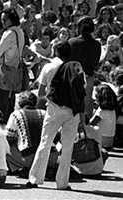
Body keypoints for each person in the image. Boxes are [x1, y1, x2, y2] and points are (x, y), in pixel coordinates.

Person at [27, 40, 86, 191]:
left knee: (45, 143)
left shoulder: (49, 67)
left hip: (53, 111)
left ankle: (35, 178)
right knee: (67, 147)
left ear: (55, 52)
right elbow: (82, 91)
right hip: (72, 112)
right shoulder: (77, 67)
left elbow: (40, 93)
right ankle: (62, 183)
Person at [5, 91, 56, 175]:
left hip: (30, 159)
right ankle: (47, 168)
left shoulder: (16, 115)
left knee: (5, 148)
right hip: (50, 157)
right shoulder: (44, 113)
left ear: (19, 103)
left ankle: (25, 168)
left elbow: (8, 139)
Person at [0, 8, 25, 123]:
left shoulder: (9, 33)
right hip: (15, 70)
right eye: (2, 20)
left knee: (0, 103)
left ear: (12, 19)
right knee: (10, 102)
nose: (3, 22)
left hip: (5, 71)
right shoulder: (20, 32)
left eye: (5, 20)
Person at [68, 16, 101, 119]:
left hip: (74, 76)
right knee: (88, 98)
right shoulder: (96, 44)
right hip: (88, 76)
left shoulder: (72, 42)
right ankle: (87, 120)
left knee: (74, 99)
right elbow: (95, 63)